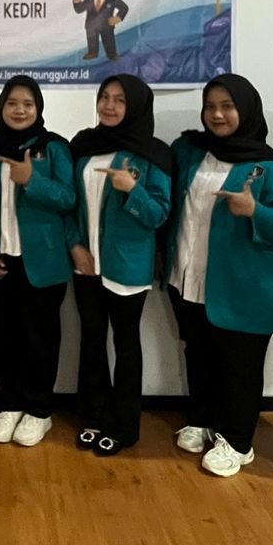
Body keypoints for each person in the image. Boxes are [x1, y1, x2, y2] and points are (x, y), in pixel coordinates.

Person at [166, 74, 273, 477]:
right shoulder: (191, 152)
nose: (218, 115)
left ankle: (238, 442)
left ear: (247, 110)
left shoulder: (271, 167)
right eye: (210, 106)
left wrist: (256, 211)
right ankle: (202, 417)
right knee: (198, 352)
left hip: (244, 286)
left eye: (228, 106)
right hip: (188, 275)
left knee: (240, 366)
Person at [65, 74, 173, 457]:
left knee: (126, 346)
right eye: (104, 97)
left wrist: (133, 190)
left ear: (137, 107)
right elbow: (70, 205)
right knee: (91, 341)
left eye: (120, 100)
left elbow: (159, 214)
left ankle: (124, 427)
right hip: (86, 265)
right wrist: (74, 246)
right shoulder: (83, 146)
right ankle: (92, 417)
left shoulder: (153, 154)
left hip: (127, 267)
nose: (109, 106)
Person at [0, 76, 76, 447]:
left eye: (28, 104)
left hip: (43, 261)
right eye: (12, 103)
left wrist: (32, 181)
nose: (19, 110)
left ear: (38, 109)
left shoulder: (54, 147)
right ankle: (10, 403)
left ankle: (39, 410)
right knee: (3, 335)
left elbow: (69, 198)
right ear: (1, 107)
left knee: (41, 339)